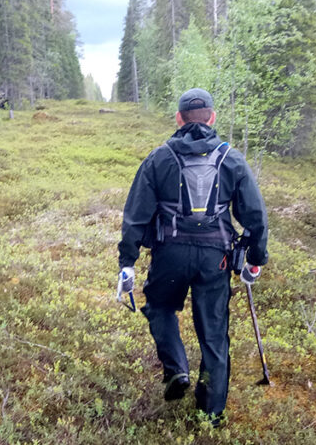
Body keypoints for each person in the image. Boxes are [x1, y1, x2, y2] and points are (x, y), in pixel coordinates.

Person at [116, 88, 269, 423]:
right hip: (216, 258)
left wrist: (127, 262)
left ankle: (176, 370)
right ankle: (211, 413)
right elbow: (255, 217)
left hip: (169, 253)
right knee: (213, 334)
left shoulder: (158, 158)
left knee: (159, 306)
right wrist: (256, 258)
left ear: (178, 118)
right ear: (212, 117)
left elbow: (135, 216)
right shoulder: (232, 158)